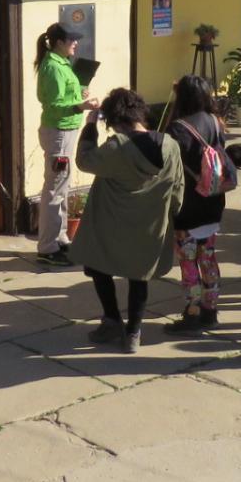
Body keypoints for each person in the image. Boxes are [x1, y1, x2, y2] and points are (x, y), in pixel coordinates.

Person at [68, 87, 182, 353]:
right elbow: (177, 189)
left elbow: (85, 161)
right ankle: (133, 332)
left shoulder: (118, 147)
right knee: (138, 276)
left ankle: (111, 320)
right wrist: (173, 218)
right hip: (150, 227)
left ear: (115, 120)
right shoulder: (170, 146)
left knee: (97, 266)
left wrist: (90, 128)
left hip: (112, 224)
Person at [35, 23, 100, 268]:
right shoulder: (52, 66)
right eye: (72, 39)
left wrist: (80, 96)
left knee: (62, 185)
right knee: (54, 188)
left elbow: (65, 96)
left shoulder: (62, 64)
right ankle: (47, 247)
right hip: (59, 133)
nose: (76, 43)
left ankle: (60, 237)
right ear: (59, 42)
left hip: (66, 131)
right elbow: (53, 103)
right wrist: (79, 106)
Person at [167, 75, 228, 333]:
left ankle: (192, 311)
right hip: (213, 199)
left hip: (187, 205)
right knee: (208, 257)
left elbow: (169, 168)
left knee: (188, 261)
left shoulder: (177, 128)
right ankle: (210, 309)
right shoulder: (216, 122)